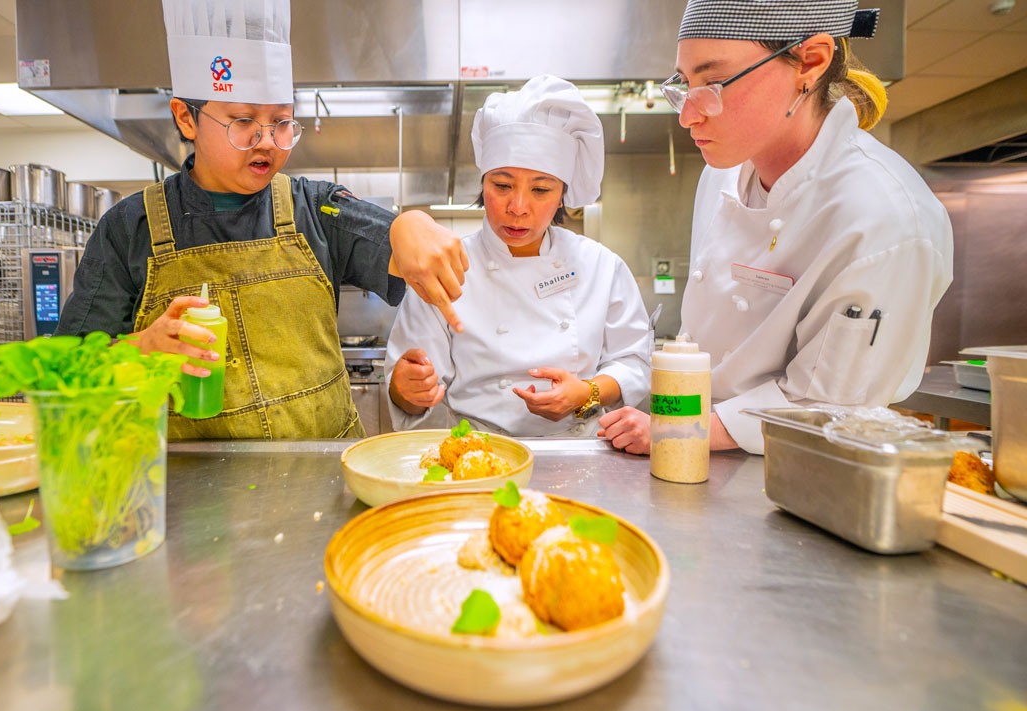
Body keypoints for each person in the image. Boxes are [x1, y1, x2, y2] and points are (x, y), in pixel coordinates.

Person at [56, 0, 467, 440]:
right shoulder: (129, 228)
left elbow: (392, 239)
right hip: (191, 496)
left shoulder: (316, 208)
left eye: (282, 122)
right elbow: (64, 374)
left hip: (322, 485)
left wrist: (410, 225)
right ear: (185, 118)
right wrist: (141, 349)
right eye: (243, 121)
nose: (267, 142)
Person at [599, 0, 952, 455]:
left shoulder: (884, 219)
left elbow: (827, 404)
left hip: (801, 464)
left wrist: (685, 430)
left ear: (810, 61)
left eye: (715, 83)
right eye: (685, 85)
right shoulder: (723, 172)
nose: (688, 115)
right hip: (700, 458)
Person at [385, 75, 652, 437]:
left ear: (562, 196)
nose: (518, 207)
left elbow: (636, 362)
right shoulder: (443, 265)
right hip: (479, 457)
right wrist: (406, 389)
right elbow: (412, 399)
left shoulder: (600, 266)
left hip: (581, 455)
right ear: (483, 184)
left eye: (541, 189)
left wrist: (587, 393)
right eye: (502, 185)